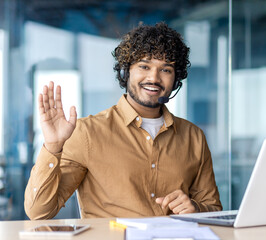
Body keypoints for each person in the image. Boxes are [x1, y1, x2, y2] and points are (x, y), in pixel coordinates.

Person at [24, 22, 222, 219]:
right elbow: (39, 212)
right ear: (125, 72)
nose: (154, 78)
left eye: (166, 70)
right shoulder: (87, 133)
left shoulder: (193, 137)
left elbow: (214, 209)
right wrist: (52, 147)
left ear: (176, 79)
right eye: (144, 66)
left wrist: (196, 209)